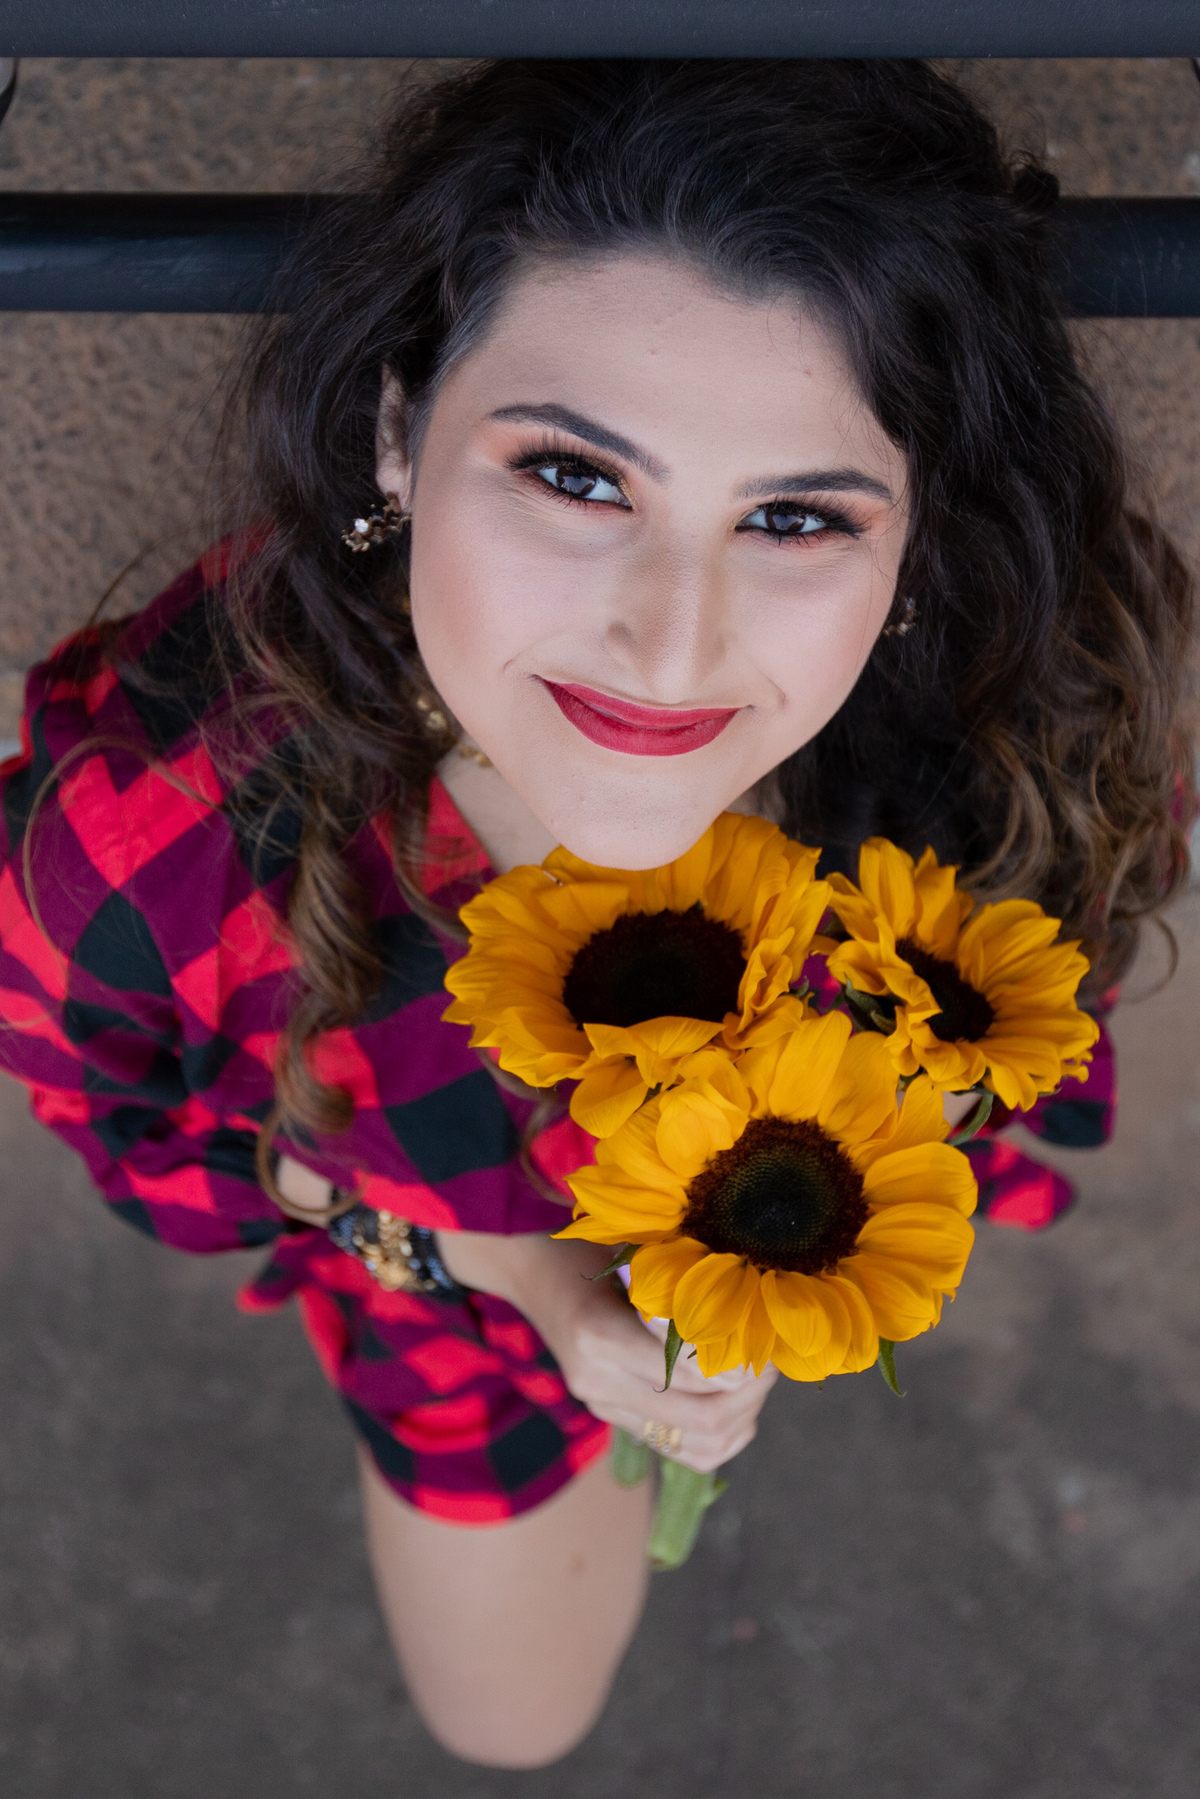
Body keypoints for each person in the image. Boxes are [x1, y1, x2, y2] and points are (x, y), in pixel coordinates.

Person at [0, 58, 1191, 1769]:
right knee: (512, 1724)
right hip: (448, 1277)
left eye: (796, 517)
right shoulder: (162, 843)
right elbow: (147, 1130)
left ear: (917, 540)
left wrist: (846, 1187)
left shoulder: (1001, 749)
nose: (668, 644)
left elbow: (1037, 1009)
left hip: (794, 1218)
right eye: (575, 478)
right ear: (401, 430)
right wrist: (510, 1271)